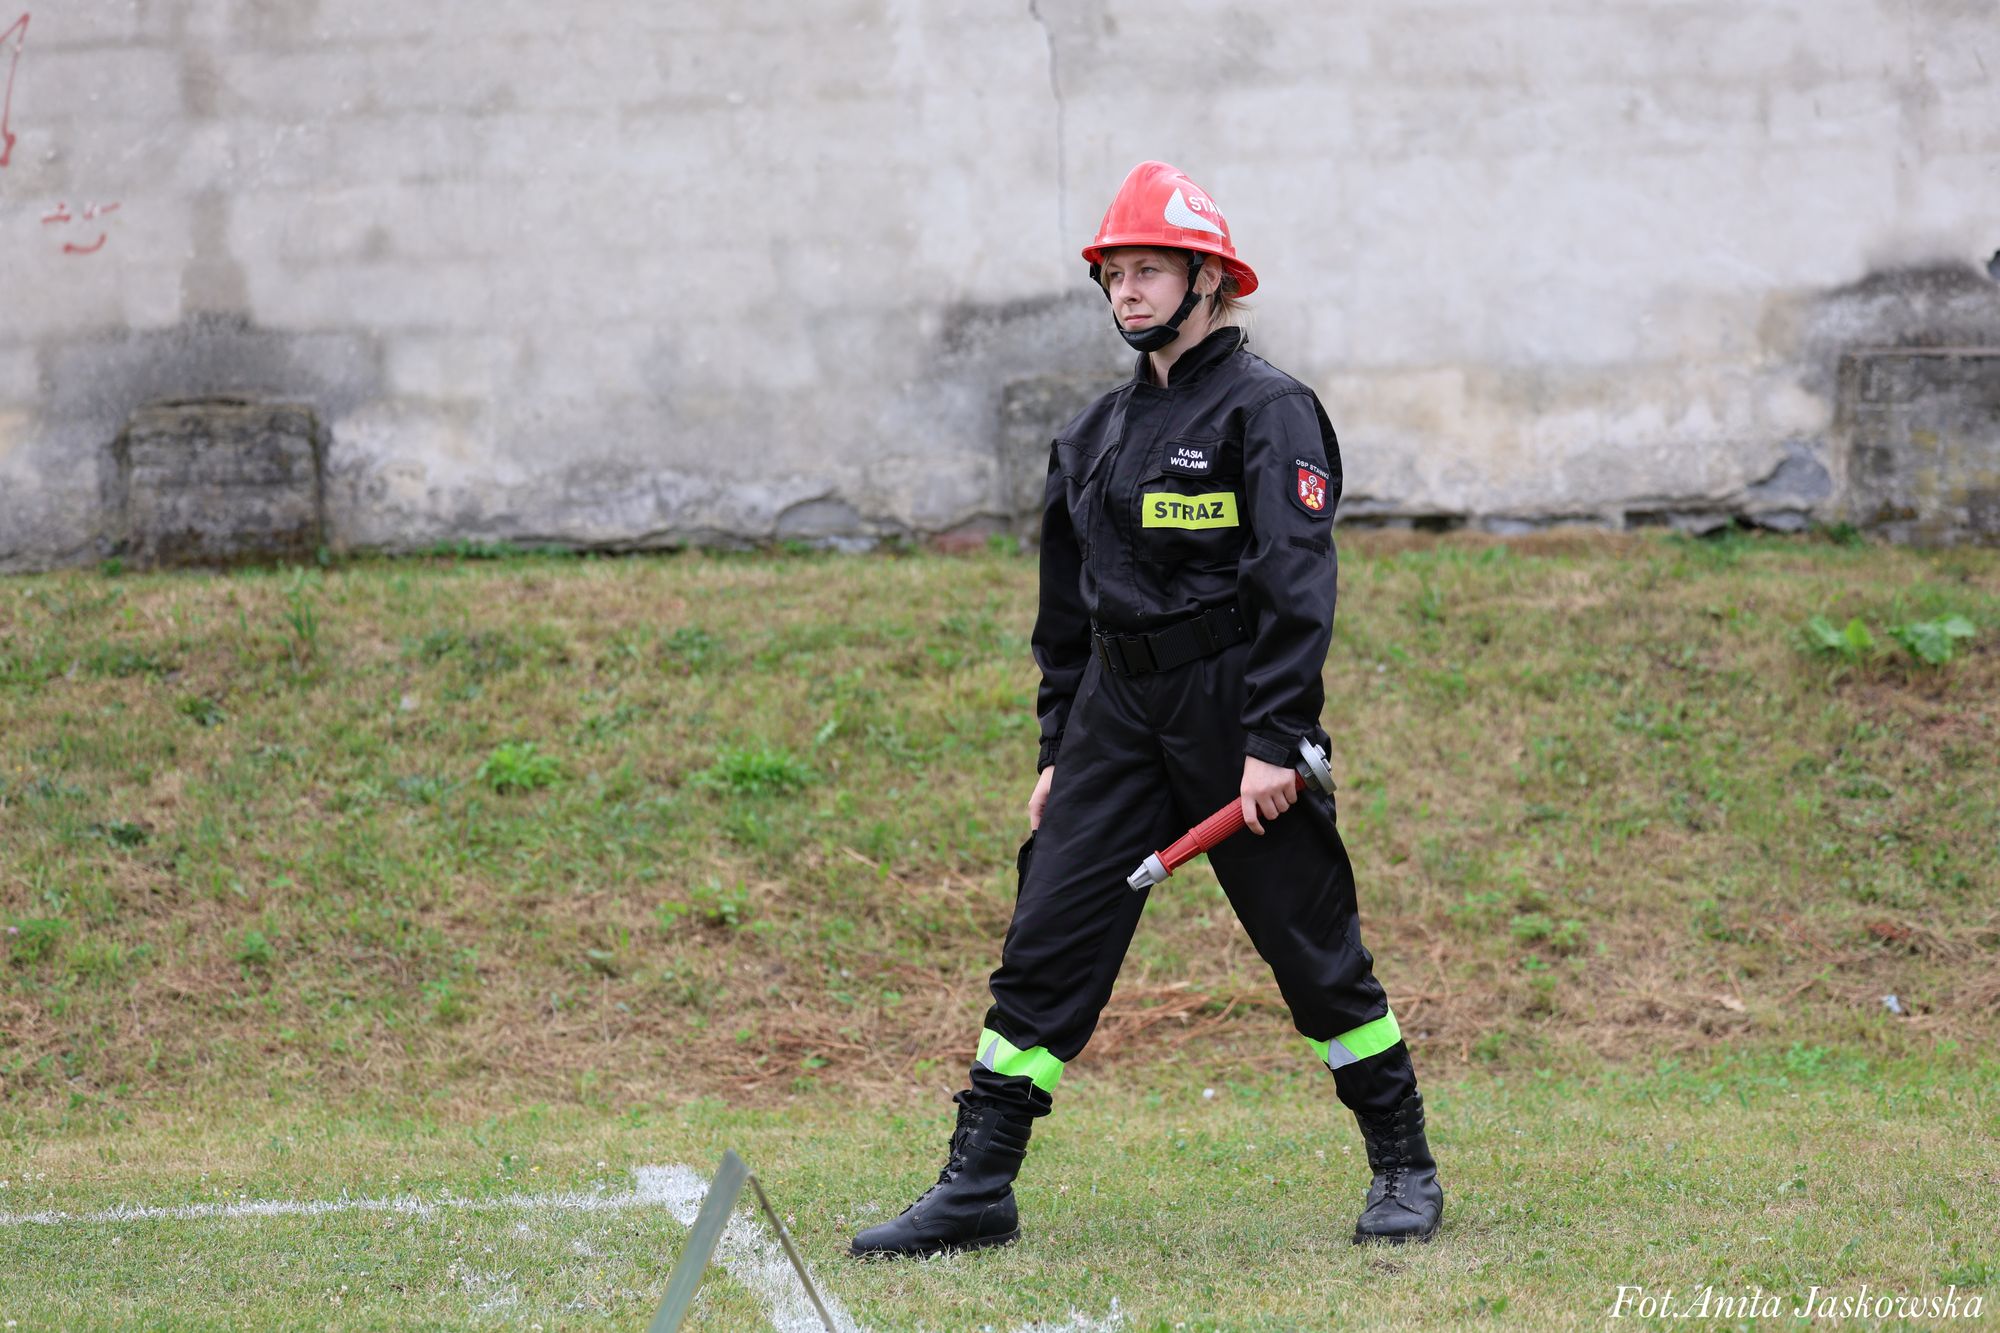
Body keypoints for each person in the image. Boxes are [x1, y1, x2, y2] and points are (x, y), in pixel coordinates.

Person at [851, 161, 1443, 1257]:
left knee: (1310, 948)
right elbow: (1064, 611)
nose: (1126, 292)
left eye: (1148, 271)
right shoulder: (1088, 434)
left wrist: (1274, 737)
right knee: (1044, 938)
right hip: (1113, 717)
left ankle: (1402, 1163)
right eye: (1113, 275)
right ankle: (978, 1185)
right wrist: (1054, 746)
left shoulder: (1270, 413)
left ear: (1207, 279)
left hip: (1234, 713)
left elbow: (1293, 583)